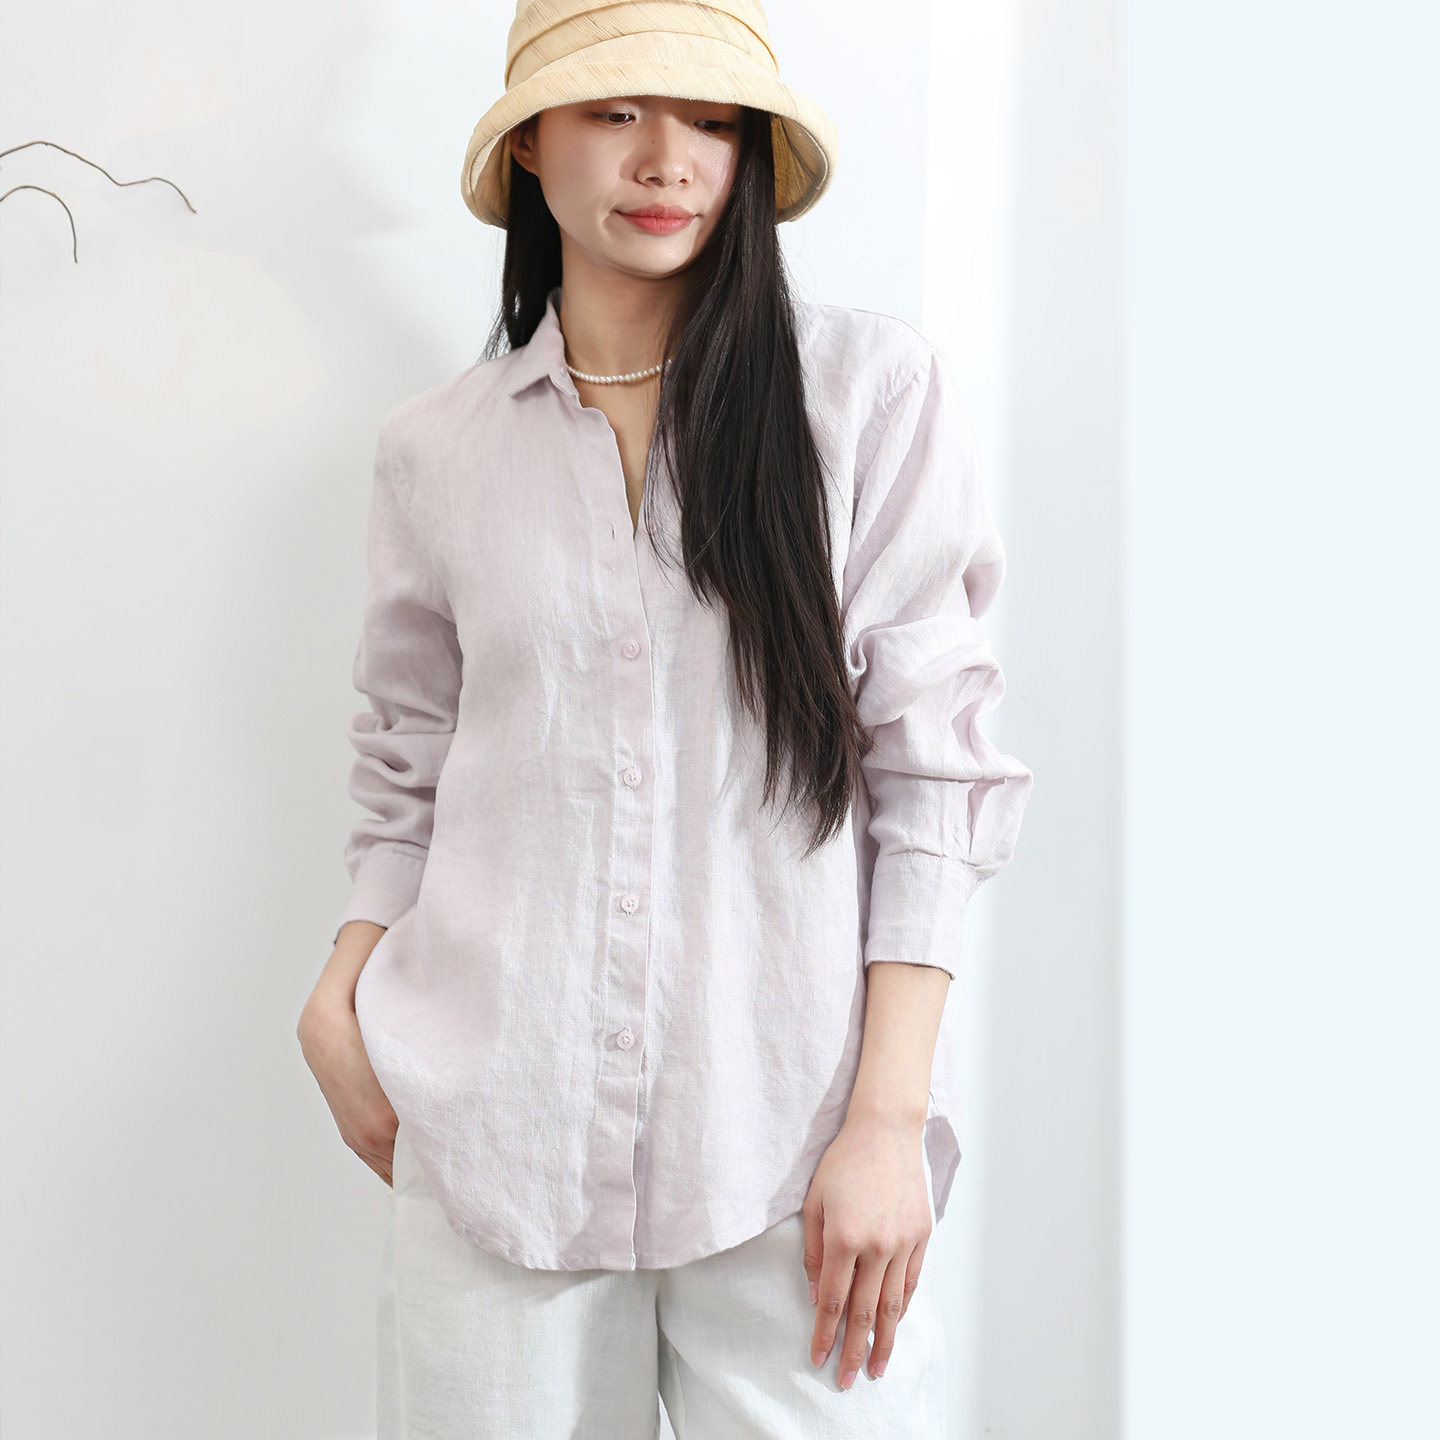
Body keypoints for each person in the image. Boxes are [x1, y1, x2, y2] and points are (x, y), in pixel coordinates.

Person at [297, 1, 1034, 1434]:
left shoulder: (865, 399)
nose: (667, 159)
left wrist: (888, 1120)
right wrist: (343, 984)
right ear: (528, 145)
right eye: (614, 110)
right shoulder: (436, 450)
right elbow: (407, 760)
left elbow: (935, 773)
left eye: (709, 119)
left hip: (795, 1141)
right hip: (496, 1125)